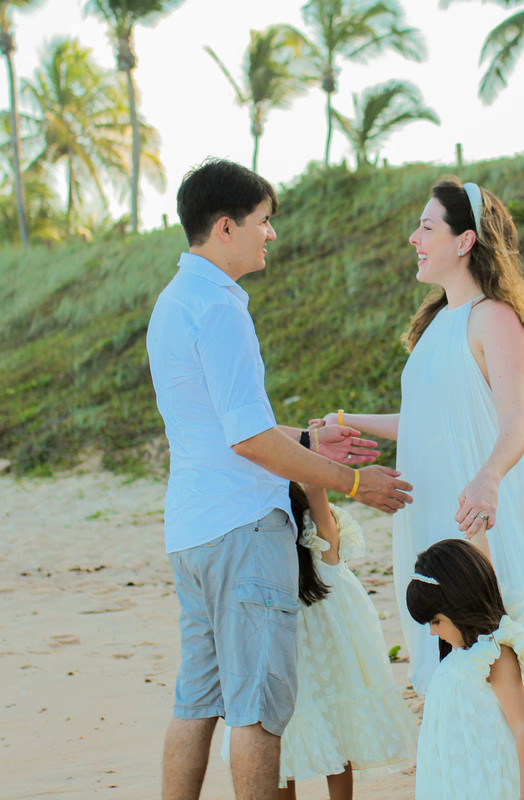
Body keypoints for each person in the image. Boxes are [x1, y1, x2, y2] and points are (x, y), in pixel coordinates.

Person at [146, 158, 413, 800]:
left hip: (191, 532)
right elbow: (248, 441)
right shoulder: (220, 309)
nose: (271, 235)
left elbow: (224, 427)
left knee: (198, 700)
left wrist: (308, 438)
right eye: (264, 222)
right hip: (241, 529)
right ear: (226, 225)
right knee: (260, 709)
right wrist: (354, 484)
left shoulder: (174, 300)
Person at [320, 176, 524, 764]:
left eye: (427, 227)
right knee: (452, 655)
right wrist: (345, 419)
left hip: (478, 520)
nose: (415, 238)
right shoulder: (438, 325)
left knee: (494, 658)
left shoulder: (495, 319)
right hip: (434, 517)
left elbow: (516, 422)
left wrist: (488, 477)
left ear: (465, 241)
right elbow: (424, 419)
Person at [221, 468, 418, 798]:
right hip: (331, 662)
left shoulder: (271, 559)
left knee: (282, 738)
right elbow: (315, 495)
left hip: (283, 661)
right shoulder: (319, 547)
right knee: (337, 733)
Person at [406, 538, 524, 800]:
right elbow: (479, 574)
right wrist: (478, 530)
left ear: (461, 604)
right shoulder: (462, 653)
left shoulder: (494, 655)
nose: (433, 632)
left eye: (436, 621)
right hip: (459, 780)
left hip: (494, 782)